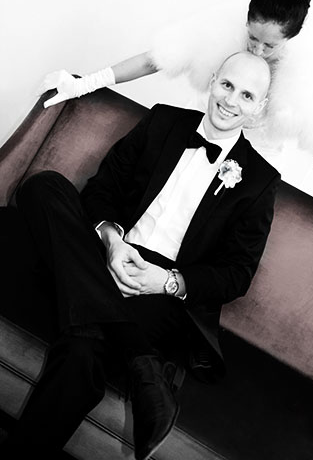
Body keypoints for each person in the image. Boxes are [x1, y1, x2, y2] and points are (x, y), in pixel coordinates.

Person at [2, 51, 280, 460]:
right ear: (213, 80)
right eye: (227, 85)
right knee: (43, 186)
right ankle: (142, 362)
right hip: (105, 250)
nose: (231, 101)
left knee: (82, 349)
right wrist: (113, 242)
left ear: (259, 108)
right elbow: (102, 189)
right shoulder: (163, 120)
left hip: (162, 291)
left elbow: (237, 273)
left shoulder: (260, 180)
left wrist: (165, 281)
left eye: (247, 95)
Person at [38, 0, 313, 201]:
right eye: (252, 38)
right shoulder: (219, 32)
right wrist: (85, 84)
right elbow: (154, 60)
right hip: (196, 138)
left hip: (248, 171)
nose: (257, 50)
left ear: (291, 38)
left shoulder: (305, 75)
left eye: (269, 45)